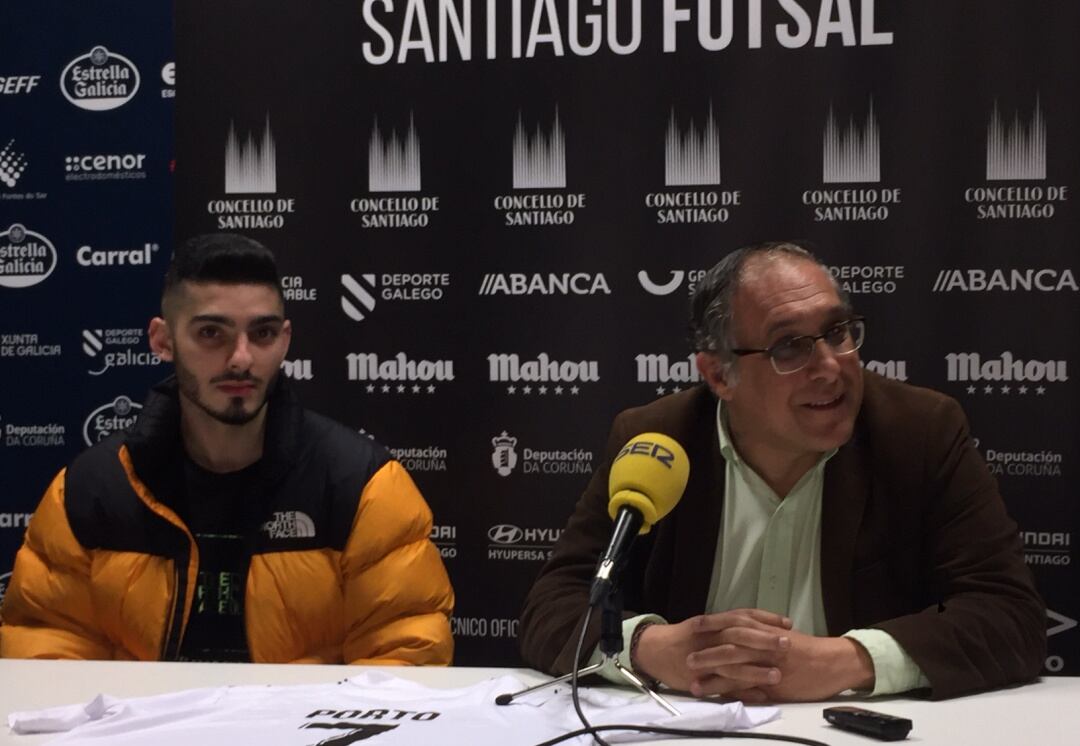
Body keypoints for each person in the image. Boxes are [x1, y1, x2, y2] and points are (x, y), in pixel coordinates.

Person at [519, 241, 1045, 701]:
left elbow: (1010, 617)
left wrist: (846, 661)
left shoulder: (919, 431)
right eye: (789, 346)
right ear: (718, 374)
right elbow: (553, 607)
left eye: (838, 331)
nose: (832, 365)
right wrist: (648, 648)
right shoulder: (655, 441)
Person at [0, 233, 454, 664]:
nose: (241, 358)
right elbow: (45, 652)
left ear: (285, 341)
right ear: (162, 341)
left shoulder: (362, 485)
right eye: (212, 333)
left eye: (262, 334)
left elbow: (405, 659)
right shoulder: (90, 489)